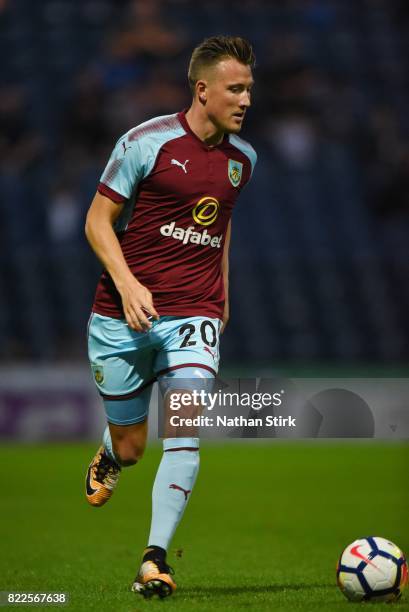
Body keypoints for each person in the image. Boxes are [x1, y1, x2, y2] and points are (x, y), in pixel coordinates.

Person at [84, 35, 257, 599]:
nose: (246, 99)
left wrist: (222, 293)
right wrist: (129, 284)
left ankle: (154, 559)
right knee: (133, 447)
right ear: (202, 90)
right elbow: (97, 222)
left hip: (194, 313)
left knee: (184, 431)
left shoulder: (243, 161)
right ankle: (111, 451)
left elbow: (221, 225)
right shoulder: (146, 142)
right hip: (122, 314)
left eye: (250, 89)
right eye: (235, 88)